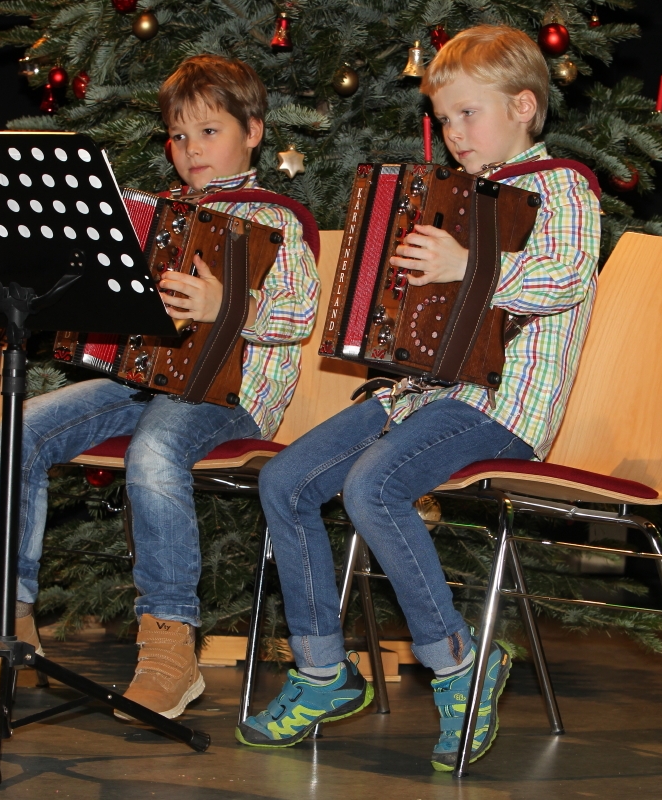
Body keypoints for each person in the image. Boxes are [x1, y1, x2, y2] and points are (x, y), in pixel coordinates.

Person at [237, 25, 601, 772]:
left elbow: (565, 276)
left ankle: (459, 661)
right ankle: (323, 671)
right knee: (285, 480)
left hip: (503, 404)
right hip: (419, 395)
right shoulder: (453, 197)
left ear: (523, 106)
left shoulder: (561, 185)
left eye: (469, 113)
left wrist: (469, 267)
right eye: (443, 119)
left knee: (374, 486)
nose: (454, 133)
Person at [0, 54, 319, 720]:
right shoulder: (159, 214)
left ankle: (170, 647)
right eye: (179, 136)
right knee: (23, 424)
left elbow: (299, 316)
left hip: (233, 396)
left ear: (253, 131)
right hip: (144, 385)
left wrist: (227, 306)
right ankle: (3, 615)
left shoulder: (276, 220)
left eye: (210, 131)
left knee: (156, 449)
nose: (192, 150)